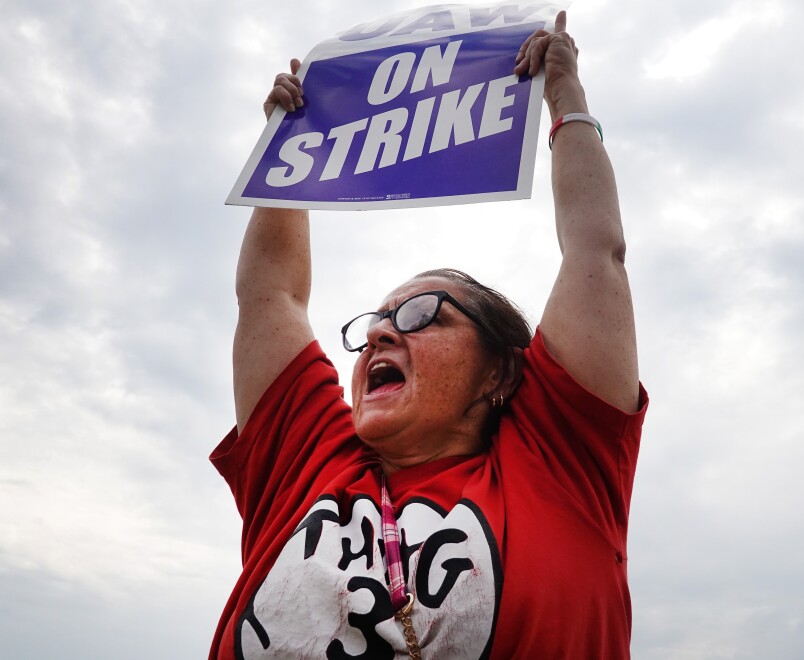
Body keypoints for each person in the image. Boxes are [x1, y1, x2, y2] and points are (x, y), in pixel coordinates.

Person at [210, 11, 647, 659]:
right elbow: (271, 295)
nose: (383, 332)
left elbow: (595, 252)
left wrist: (566, 96)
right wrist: (287, 148)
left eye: (421, 315)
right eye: (377, 321)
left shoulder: (557, 463)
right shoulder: (309, 462)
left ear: (500, 373)